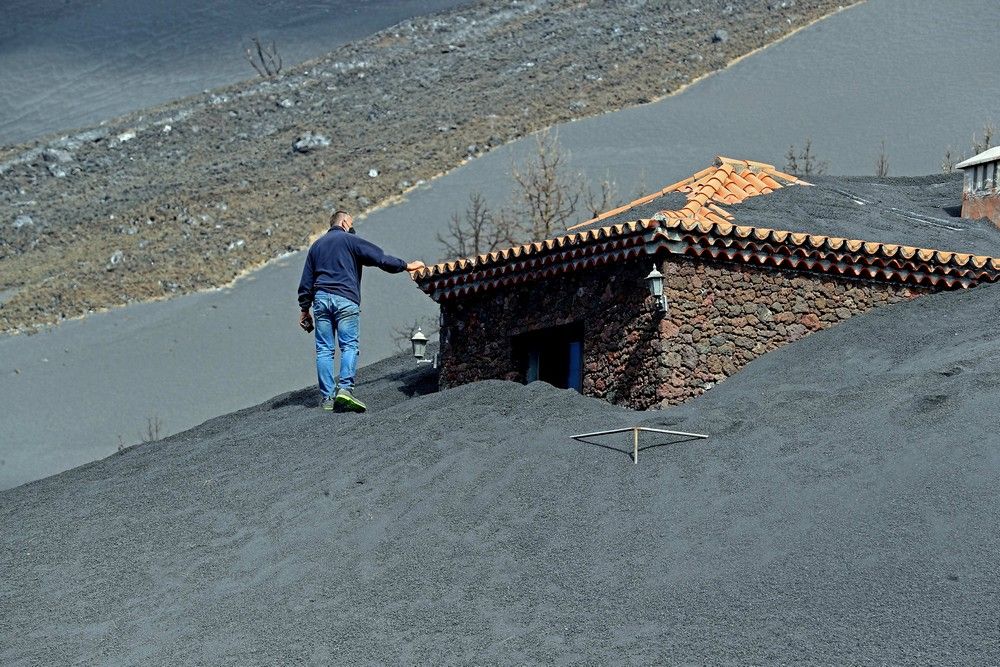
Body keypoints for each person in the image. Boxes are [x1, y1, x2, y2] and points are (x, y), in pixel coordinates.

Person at [297, 210, 425, 412]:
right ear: (346, 222)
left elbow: (306, 281)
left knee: (324, 350)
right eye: (352, 223)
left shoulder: (316, 246)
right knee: (349, 345)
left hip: (320, 300)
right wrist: (407, 266)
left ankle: (327, 399)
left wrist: (304, 309)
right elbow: (381, 259)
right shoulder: (350, 241)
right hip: (345, 298)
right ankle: (345, 390)